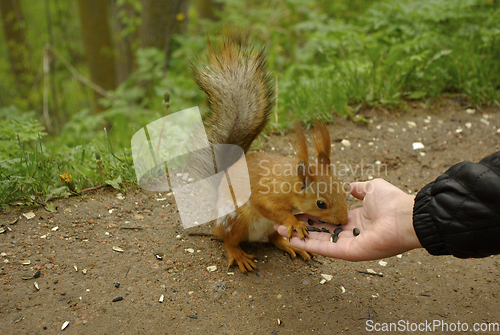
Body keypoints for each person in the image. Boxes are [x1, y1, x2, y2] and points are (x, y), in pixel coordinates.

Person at [274, 150, 500, 261]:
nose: (342, 220)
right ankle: (235, 246)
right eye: (322, 204)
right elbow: (263, 206)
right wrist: (289, 219)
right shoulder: (277, 190)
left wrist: (409, 220)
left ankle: (273, 239)